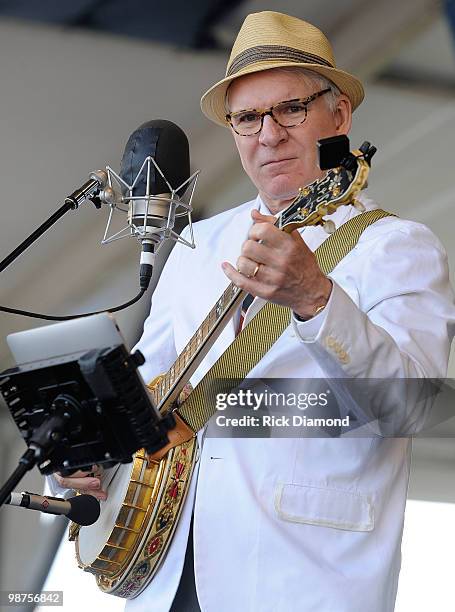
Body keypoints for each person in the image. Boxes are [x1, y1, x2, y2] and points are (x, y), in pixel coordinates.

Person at [52, 11, 455, 612]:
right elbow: (147, 389)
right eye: (246, 118)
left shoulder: (394, 246)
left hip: (303, 576)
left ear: (339, 116)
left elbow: (417, 406)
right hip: (164, 577)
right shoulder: (195, 247)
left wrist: (316, 300)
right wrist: (87, 456)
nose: (268, 134)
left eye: (290, 109)